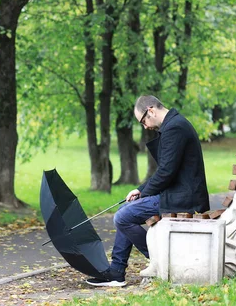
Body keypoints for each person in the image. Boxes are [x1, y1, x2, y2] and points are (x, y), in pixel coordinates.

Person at [85, 95, 210, 287]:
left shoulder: (175, 128)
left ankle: (162, 259)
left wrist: (144, 192)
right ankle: (117, 272)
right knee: (124, 213)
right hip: (177, 192)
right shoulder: (174, 124)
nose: (145, 126)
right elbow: (166, 170)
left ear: (150, 110)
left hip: (184, 197)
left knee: (122, 217)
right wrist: (139, 190)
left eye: (143, 121)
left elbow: (167, 172)